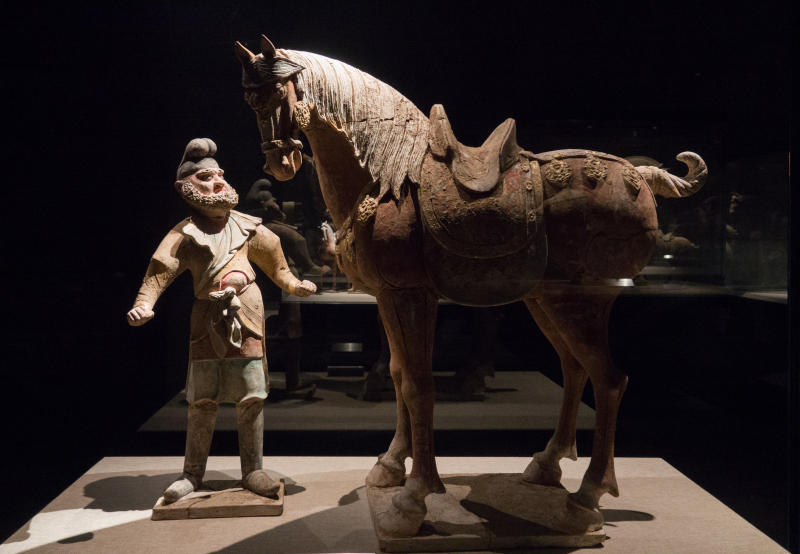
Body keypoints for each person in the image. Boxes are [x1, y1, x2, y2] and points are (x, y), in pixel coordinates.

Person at [127, 138, 316, 503]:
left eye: (219, 176)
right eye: (205, 177)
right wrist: (144, 303)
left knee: (251, 396)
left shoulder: (249, 227)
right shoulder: (184, 234)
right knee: (202, 400)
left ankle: (253, 470)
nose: (216, 183)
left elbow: (278, 265)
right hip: (207, 321)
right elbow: (159, 270)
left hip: (246, 316)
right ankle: (192, 473)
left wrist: (295, 284)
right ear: (185, 187)